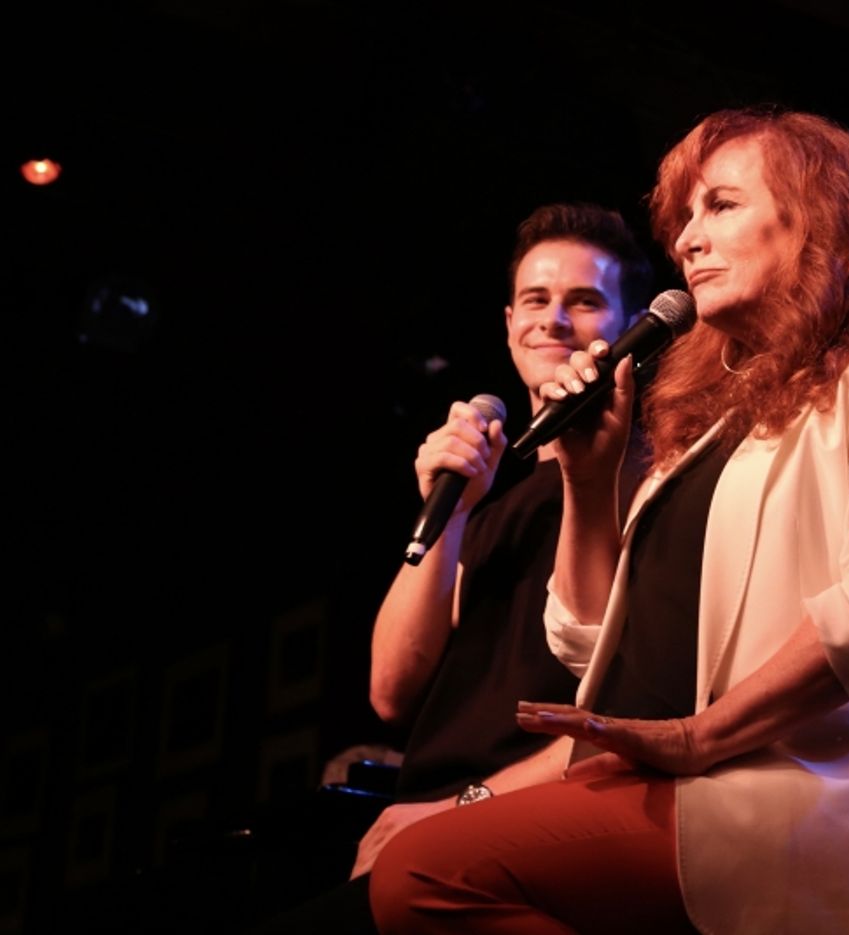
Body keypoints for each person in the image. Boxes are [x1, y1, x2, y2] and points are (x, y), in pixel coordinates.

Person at [368, 108, 849, 933]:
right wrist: (589, 480)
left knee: (428, 872)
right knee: (411, 867)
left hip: (816, 782)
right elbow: (590, 640)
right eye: (685, 221)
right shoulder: (712, 428)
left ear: (815, 220)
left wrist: (703, 734)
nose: (689, 241)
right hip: (693, 783)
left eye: (721, 206)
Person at [245, 201, 654, 933]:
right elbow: (392, 690)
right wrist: (452, 509)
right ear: (507, 323)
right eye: (536, 299)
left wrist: (455, 812)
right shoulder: (492, 502)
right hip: (425, 815)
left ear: (628, 325)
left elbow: (635, 712)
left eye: (585, 301)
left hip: (538, 816)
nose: (553, 320)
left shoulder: (651, 474)